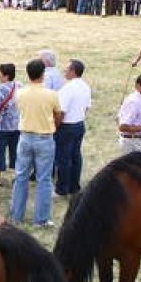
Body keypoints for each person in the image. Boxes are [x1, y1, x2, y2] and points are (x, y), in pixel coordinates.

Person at [10, 59, 62, 227]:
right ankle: (41, 219)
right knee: (44, 179)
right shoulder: (51, 94)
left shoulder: (20, 93)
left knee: (21, 177)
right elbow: (58, 114)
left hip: (25, 136)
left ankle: (16, 215)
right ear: (43, 74)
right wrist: (51, 125)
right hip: (44, 138)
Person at [54, 59, 91, 196]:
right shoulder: (85, 86)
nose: (65, 71)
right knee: (76, 156)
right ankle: (74, 186)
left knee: (63, 158)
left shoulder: (68, 88)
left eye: (67, 69)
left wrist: (56, 126)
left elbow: (61, 111)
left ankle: (62, 188)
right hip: (79, 124)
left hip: (66, 126)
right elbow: (87, 107)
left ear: (73, 71)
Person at [0, 62, 20, 184]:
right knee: (15, 150)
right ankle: (15, 174)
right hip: (16, 124)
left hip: (1, 126)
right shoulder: (19, 86)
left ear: (6, 76)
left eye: (0, 74)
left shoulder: (0, 89)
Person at [118, 74, 141, 155]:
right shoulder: (134, 101)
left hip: (137, 143)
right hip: (131, 144)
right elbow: (123, 126)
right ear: (138, 86)